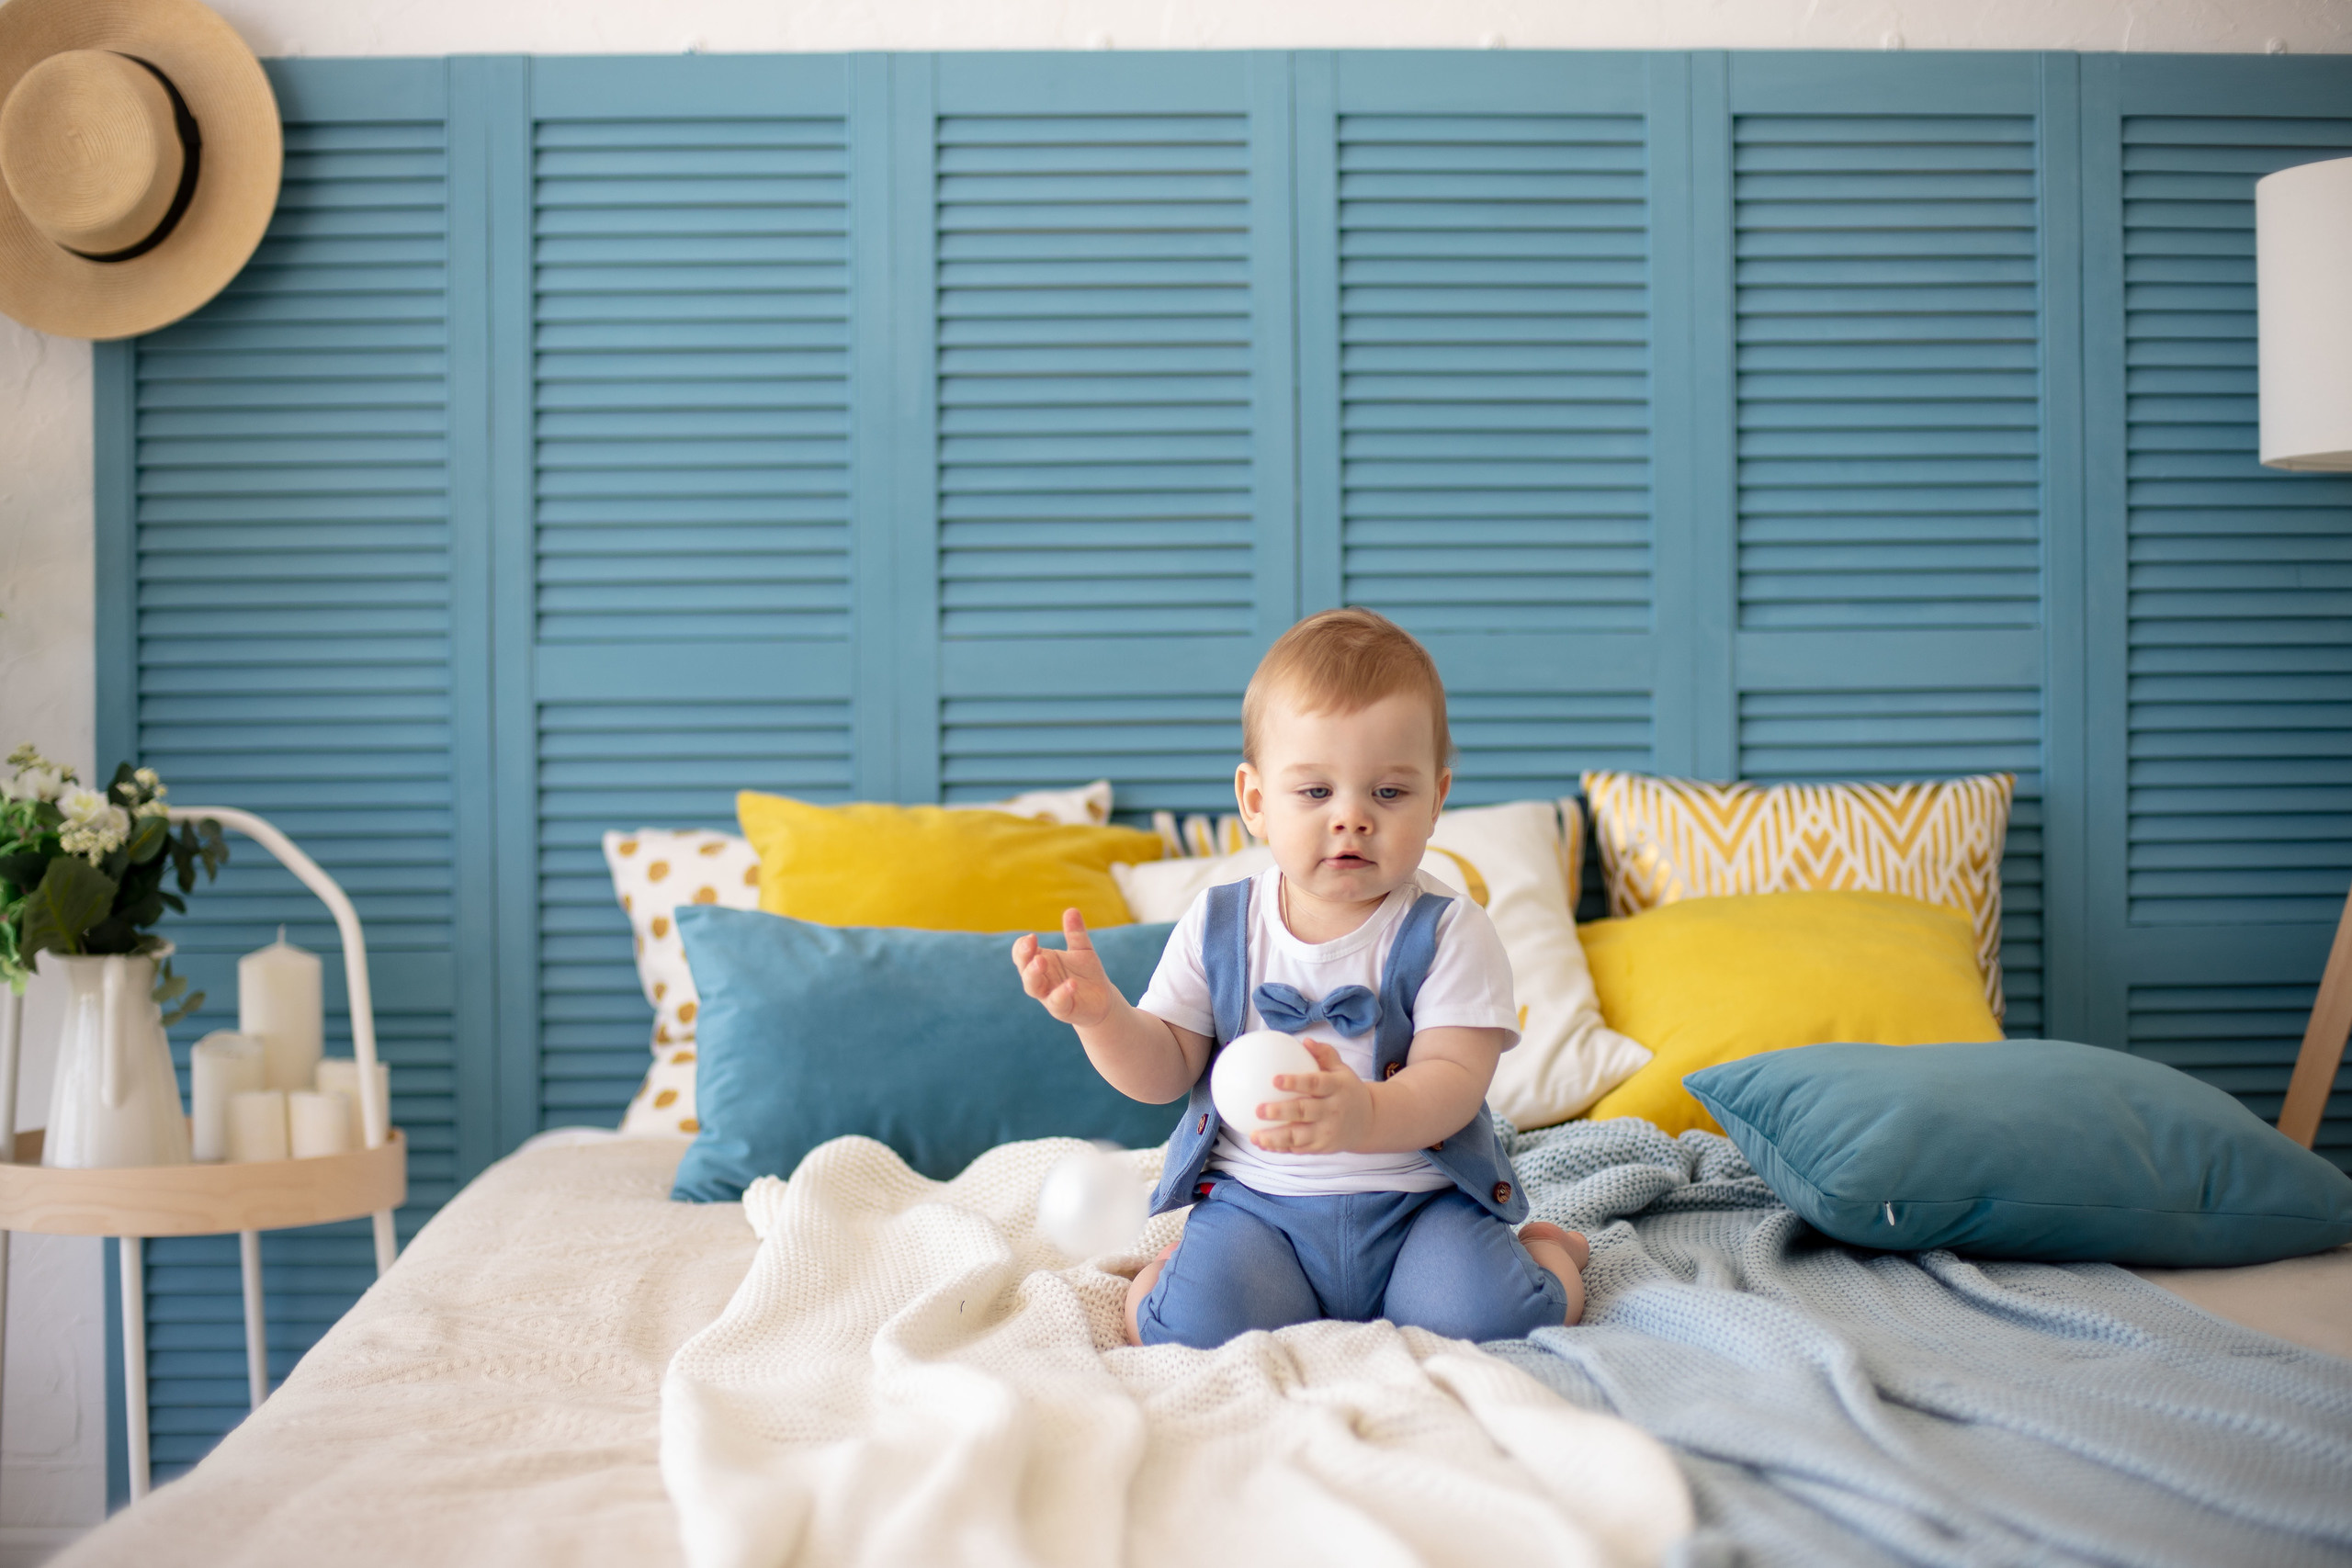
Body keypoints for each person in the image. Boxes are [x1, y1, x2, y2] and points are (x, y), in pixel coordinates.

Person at [1012, 607, 1589, 1348]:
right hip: (1259, 1208)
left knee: (1492, 1319)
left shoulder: (1451, 929)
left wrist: (1365, 1118)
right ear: (1256, 801)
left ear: (1437, 798)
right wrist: (1101, 1017)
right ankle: (1171, 1274)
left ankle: (1550, 1254)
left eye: (1388, 792)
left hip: (1417, 1208)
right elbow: (1164, 1070)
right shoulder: (1222, 925)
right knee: (1184, 1328)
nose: (1351, 818)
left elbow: (1454, 1081)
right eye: (1315, 792)